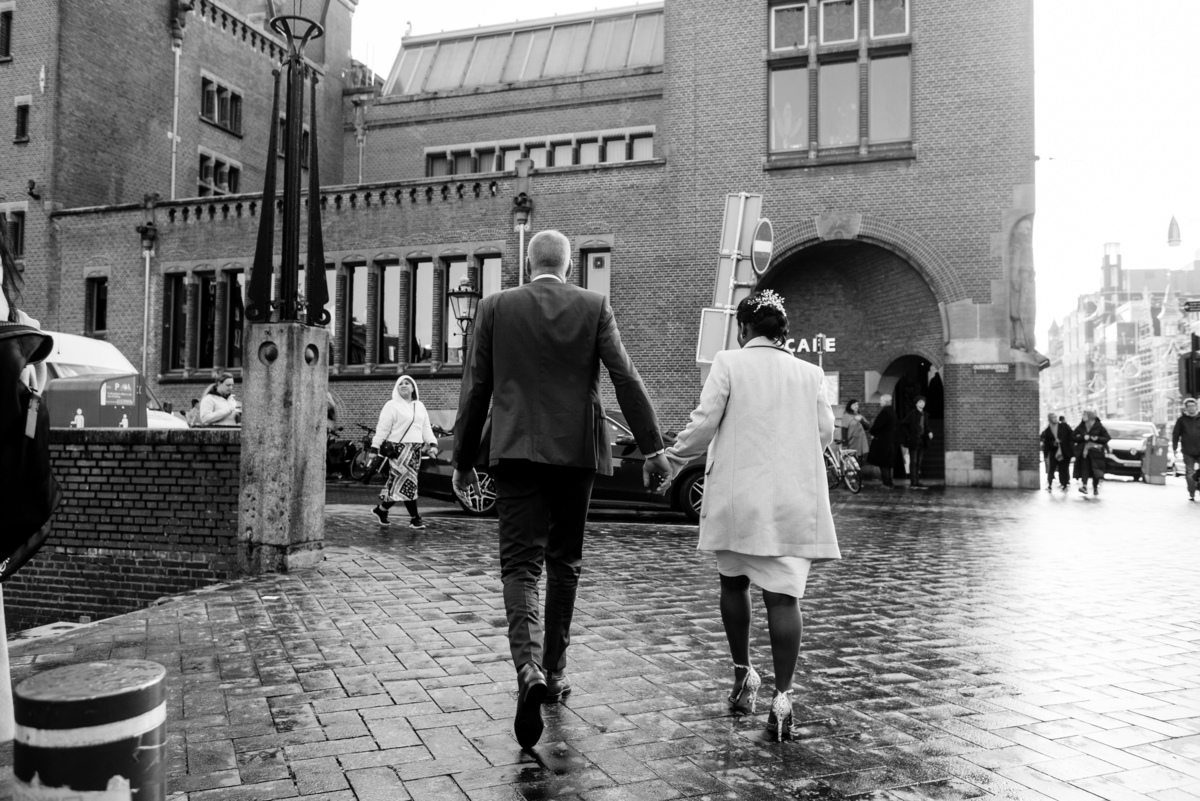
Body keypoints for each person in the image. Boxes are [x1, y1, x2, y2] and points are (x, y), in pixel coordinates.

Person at [452, 229, 668, 750]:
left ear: (529, 265)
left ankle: (527, 669)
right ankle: (555, 667)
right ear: (568, 268)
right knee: (564, 561)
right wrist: (654, 447)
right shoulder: (594, 306)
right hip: (576, 452)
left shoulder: (495, 307)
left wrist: (462, 460)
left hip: (515, 450)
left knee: (519, 564)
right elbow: (625, 376)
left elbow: (475, 388)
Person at [656, 290, 840, 741]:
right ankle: (783, 700)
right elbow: (824, 433)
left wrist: (670, 456)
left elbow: (704, 423)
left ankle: (743, 677)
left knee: (733, 583)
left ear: (743, 330)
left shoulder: (729, 363)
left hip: (740, 499)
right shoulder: (811, 372)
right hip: (792, 501)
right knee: (784, 598)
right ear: (784, 334)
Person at [369, 376, 438, 529]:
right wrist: (375, 447)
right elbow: (383, 428)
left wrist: (433, 444)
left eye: (407, 383)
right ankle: (415, 518)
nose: (403, 385)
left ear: (413, 388)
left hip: (415, 451)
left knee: (400, 484)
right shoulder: (391, 405)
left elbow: (426, 427)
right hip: (398, 450)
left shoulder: (419, 406)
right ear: (396, 388)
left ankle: (381, 510)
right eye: (400, 383)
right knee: (408, 483)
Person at [1073, 409, 1110, 496]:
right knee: (1084, 469)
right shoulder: (1081, 426)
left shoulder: (1099, 426)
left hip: (1096, 453)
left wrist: (1097, 439)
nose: (1082, 417)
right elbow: (1072, 436)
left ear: (1090, 416)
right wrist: (1082, 437)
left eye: (1084, 415)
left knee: (1095, 471)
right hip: (1085, 452)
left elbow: (1107, 438)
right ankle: (1084, 486)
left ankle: (1095, 488)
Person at [1171, 398, 1200, 502]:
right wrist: (1174, 448)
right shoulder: (1181, 420)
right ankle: (1192, 493)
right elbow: (1175, 434)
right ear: (1186, 408)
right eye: (1189, 406)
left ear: (1196, 406)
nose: (1191, 408)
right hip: (1188, 451)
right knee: (1189, 473)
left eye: (1193, 406)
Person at [901, 396, 932, 488]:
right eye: (920, 402)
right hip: (914, 440)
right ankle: (913, 481)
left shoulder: (925, 414)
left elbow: (926, 426)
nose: (922, 403)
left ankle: (917, 480)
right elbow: (903, 424)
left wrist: (929, 432)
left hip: (922, 440)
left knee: (919, 461)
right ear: (916, 403)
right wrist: (909, 436)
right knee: (913, 461)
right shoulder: (912, 413)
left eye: (923, 402)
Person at [867, 394, 897, 489]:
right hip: (890, 440)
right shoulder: (893, 412)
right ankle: (889, 482)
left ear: (885, 401)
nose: (880, 402)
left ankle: (886, 483)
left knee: (883, 462)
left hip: (882, 441)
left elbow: (877, 425)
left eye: (881, 400)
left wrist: (872, 431)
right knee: (888, 463)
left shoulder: (885, 412)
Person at [1040, 412, 1072, 491]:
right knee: (1051, 469)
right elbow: (1047, 443)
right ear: (1050, 419)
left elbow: (1071, 435)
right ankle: (1049, 485)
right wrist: (1046, 453)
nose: (1055, 419)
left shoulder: (1063, 426)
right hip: (1054, 452)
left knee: (1063, 469)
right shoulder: (1048, 430)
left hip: (1064, 451)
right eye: (1053, 417)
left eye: (1055, 417)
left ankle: (1064, 484)